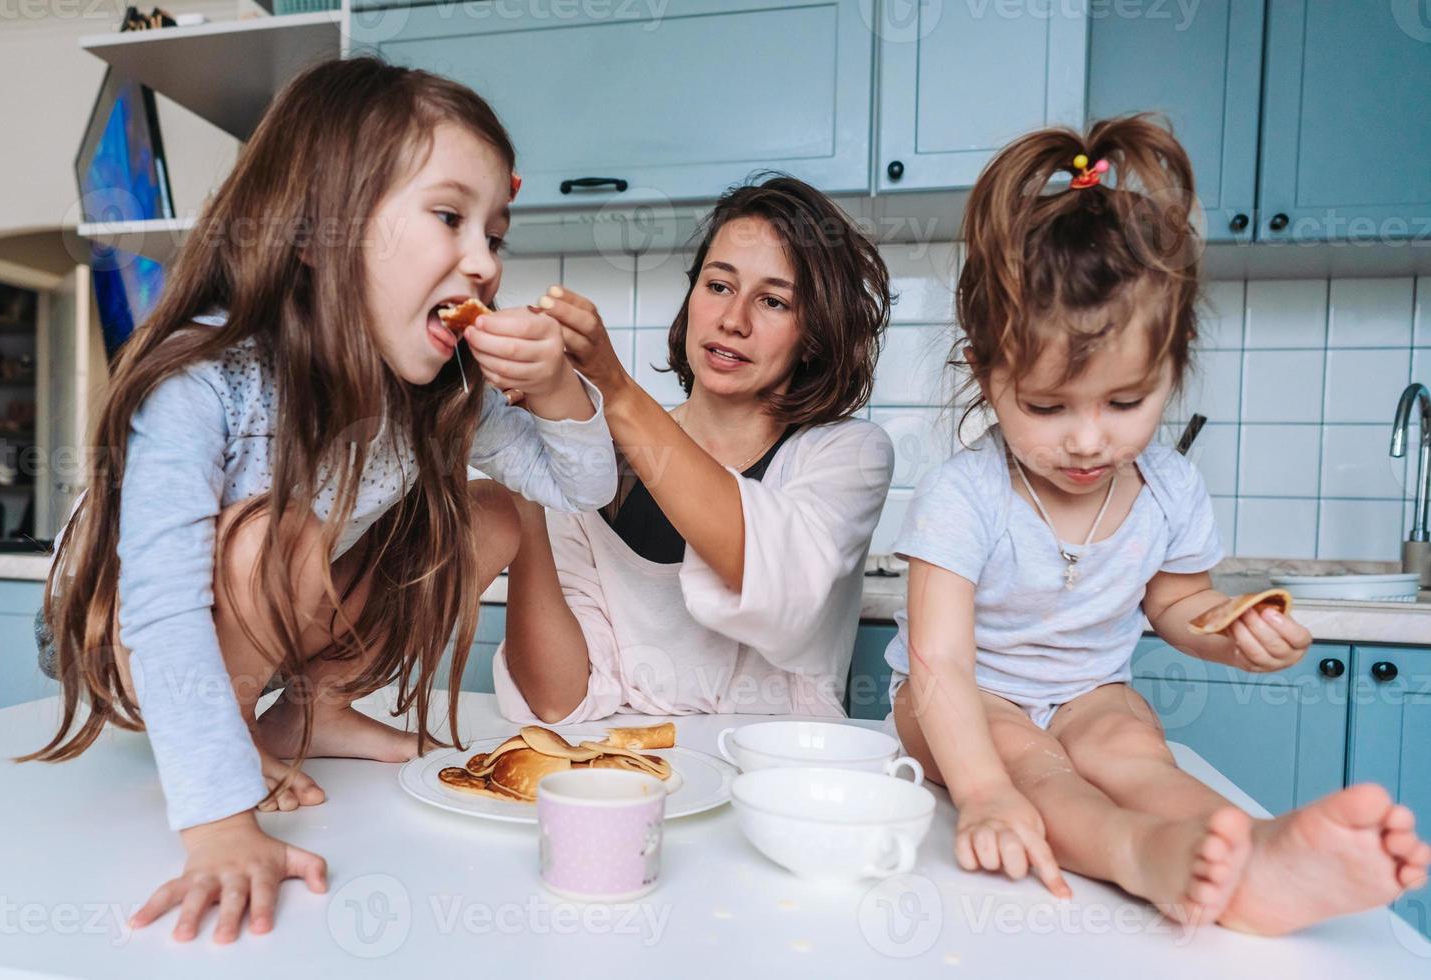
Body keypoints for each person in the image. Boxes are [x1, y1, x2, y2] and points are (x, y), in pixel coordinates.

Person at [21, 57, 617, 943]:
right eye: (450, 218)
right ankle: (234, 734)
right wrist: (220, 822)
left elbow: (583, 486)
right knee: (274, 535)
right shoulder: (209, 376)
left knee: (489, 513)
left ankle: (315, 709)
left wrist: (560, 391)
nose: (485, 263)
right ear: (318, 234)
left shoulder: (444, 391)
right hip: (124, 633)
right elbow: (161, 603)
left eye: (495, 233)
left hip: (259, 609)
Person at [887, 115, 1430, 933]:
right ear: (984, 369)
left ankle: (1260, 856)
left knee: (1131, 748)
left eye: (1125, 401)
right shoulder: (963, 495)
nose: (1087, 438)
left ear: (1173, 366)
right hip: (962, 704)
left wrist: (1230, 634)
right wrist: (988, 796)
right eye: (1045, 405)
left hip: (1088, 692)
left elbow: (1176, 605)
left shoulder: (1171, 489)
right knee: (1035, 767)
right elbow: (939, 667)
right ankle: (1146, 858)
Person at [493, 176, 895, 723]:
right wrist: (525, 475)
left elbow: (764, 575)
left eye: (773, 301)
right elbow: (557, 696)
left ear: (816, 333)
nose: (734, 320)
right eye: (719, 285)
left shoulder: (848, 454)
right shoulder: (594, 461)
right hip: (629, 774)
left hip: (777, 783)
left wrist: (613, 388)